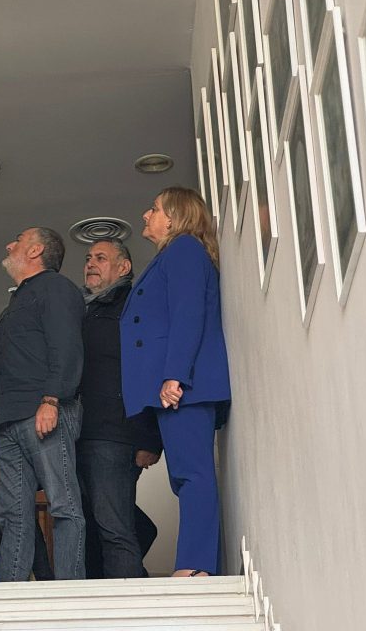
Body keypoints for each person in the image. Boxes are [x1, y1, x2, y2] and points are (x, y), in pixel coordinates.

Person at [0, 228, 86, 581]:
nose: (9, 244)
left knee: (63, 505)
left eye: (17, 240)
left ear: (36, 251)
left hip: (42, 412)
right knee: (11, 514)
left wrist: (51, 399)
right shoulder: (18, 303)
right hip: (9, 423)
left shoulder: (56, 288)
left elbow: (67, 345)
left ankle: (70, 591)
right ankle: (7, 594)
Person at [120, 187, 232, 577]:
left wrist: (175, 375)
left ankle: (196, 566)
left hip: (186, 385)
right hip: (182, 384)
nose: (145, 215)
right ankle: (197, 564)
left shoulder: (184, 249)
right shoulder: (178, 253)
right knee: (187, 474)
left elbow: (188, 313)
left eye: (153, 209)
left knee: (192, 474)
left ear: (174, 217)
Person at [79, 238, 163, 579]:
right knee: (91, 526)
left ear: (124, 267)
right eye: (88, 258)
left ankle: (128, 600)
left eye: (101, 258)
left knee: (114, 529)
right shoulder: (84, 310)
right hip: (80, 432)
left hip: (115, 434)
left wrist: (150, 438)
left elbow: (149, 370)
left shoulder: (134, 307)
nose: (90, 263)